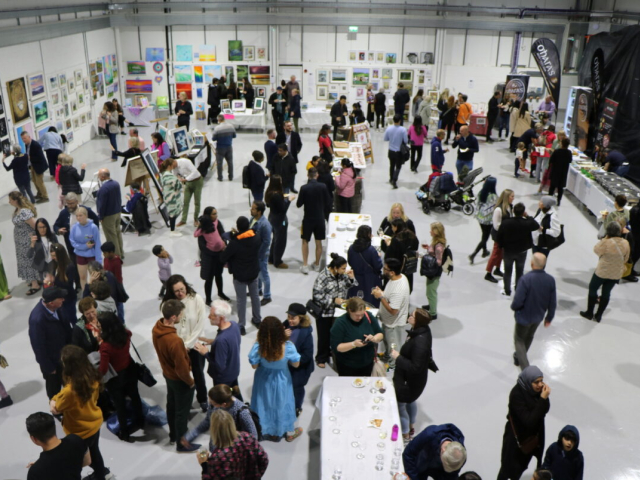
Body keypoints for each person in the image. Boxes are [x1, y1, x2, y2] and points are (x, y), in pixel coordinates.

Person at [50, 345, 109, 479]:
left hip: (79, 431)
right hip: (94, 423)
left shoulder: (70, 390)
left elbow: (56, 408)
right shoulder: (91, 375)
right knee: (94, 452)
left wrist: (53, 399)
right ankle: (101, 475)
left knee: (76, 462)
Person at [152, 299, 200, 452]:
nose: (182, 316)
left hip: (168, 375)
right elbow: (181, 369)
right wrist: (190, 382)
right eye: (180, 314)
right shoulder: (175, 341)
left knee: (171, 405)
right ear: (173, 317)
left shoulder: (156, 328)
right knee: (181, 412)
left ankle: (173, 436)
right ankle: (182, 443)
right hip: (179, 380)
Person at [249, 316, 303, 442]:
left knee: (263, 403)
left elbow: (254, 365)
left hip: (263, 378)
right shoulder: (288, 346)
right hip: (281, 378)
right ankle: (287, 432)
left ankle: (261, 430)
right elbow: (296, 364)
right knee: (282, 403)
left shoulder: (259, 347)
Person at [161, 275, 208, 412]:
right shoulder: (168, 305)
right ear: (171, 291)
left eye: (182, 289)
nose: (181, 293)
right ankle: (183, 402)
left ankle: (203, 399)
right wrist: (180, 345)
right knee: (180, 375)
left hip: (195, 345)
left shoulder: (196, 299)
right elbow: (168, 326)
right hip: (177, 347)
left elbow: (200, 324)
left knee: (198, 374)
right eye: (177, 291)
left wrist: (188, 344)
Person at [497, 366, 551, 480]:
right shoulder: (517, 395)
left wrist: (543, 399)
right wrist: (542, 399)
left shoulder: (538, 392)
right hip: (516, 440)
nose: (540, 385)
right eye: (536, 382)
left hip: (532, 438)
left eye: (541, 381)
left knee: (521, 466)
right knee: (507, 469)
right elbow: (529, 421)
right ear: (528, 381)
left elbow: (545, 409)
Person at [97, 312, 144, 442]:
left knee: (120, 404)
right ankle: (140, 421)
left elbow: (103, 368)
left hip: (115, 378)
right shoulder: (126, 334)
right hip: (130, 370)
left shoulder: (105, 346)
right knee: (135, 397)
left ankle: (124, 431)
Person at [391, 308, 434, 443]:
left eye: (412, 316)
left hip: (407, 382)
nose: (409, 316)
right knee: (411, 401)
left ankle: (405, 435)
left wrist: (398, 358)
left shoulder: (419, 342)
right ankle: (411, 427)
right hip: (414, 382)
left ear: (417, 321)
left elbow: (415, 367)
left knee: (401, 406)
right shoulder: (423, 331)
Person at [311, 253, 357, 368]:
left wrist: (351, 278)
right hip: (325, 312)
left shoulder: (341, 274)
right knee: (323, 335)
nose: (345, 270)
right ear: (335, 268)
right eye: (343, 268)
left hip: (339, 311)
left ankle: (333, 352)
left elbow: (348, 285)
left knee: (336, 334)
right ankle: (321, 357)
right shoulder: (323, 277)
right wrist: (333, 300)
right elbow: (317, 296)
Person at [511, 253, 556, 369]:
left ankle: (525, 369)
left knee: (519, 340)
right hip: (538, 317)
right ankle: (518, 357)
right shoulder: (550, 280)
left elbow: (518, 301)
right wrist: (549, 317)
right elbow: (553, 302)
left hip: (523, 317)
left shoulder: (525, 279)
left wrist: (514, 308)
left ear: (532, 264)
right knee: (529, 336)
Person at [580, 221, 629, 322]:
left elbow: (596, 250)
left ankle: (589, 313)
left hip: (602, 271)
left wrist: (605, 239)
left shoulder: (606, 242)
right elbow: (626, 258)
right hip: (616, 273)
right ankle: (598, 316)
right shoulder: (625, 243)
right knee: (606, 292)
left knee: (593, 288)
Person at [197, 409, 269, 479]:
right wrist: (256, 476)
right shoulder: (247, 437)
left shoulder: (218, 458)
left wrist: (204, 465)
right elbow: (264, 459)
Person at [220, 216, 262, 335]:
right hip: (253, 273)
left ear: (238, 227)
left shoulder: (234, 244)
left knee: (241, 300)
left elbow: (223, 258)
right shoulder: (256, 237)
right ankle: (257, 320)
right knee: (255, 297)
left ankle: (241, 325)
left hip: (240, 275)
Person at [29, 287, 72, 399]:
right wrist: (48, 367)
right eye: (60, 298)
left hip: (65, 356)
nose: (63, 299)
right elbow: (38, 347)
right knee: (54, 389)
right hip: (52, 363)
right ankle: (57, 411)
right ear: (51, 303)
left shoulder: (58, 308)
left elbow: (67, 329)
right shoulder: (37, 320)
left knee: (70, 383)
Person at [194, 300, 243, 396]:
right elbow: (232, 342)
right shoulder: (234, 325)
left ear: (221, 318)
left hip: (223, 379)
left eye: (212, 315)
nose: (209, 317)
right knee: (234, 395)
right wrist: (213, 341)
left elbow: (219, 366)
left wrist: (206, 353)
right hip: (233, 371)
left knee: (223, 401)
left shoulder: (221, 340)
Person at [25, 412, 91, 480]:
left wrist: (38, 465)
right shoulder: (75, 440)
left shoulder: (35, 472)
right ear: (54, 427)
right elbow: (88, 461)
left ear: (33, 439)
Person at [330, 297, 384, 376]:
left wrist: (374, 338)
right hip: (347, 365)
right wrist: (353, 344)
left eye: (362, 314)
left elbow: (380, 334)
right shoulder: (340, 323)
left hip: (367, 363)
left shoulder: (368, 316)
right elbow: (337, 347)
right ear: (349, 311)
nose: (360, 317)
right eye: (357, 315)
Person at [372, 258, 410, 368]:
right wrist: (382, 293)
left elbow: (393, 311)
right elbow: (390, 297)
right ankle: (388, 356)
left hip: (393, 323)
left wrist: (380, 297)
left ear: (392, 272)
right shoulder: (399, 277)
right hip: (387, 320)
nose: (383, 270)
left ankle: (394, 365)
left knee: (393, 345)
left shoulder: (399, 289)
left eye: (385, 268)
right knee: (387, 342)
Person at [497, 203, 540, 296]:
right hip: (522, 251)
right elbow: (536, 225)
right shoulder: (527, 223)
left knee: (507, 272)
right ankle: (518, 289)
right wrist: (528, 216)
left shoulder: (506, 222)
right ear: (523, 212)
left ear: (513, 211)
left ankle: (507, 290)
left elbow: (499, 236)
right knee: (519, 271)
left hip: (508, 251)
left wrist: (501, 246)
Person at [297, 167, 332, 274]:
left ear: (308, 175)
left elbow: (299, 204)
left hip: (308, 219)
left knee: (305, 241)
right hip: (320, 218)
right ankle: (317, 265)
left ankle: (305, 265)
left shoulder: (304, 188)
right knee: (319, 242)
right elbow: (328, 202)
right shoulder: (323, 186)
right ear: (317, 175)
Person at [283, 303, 314, 416]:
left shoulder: (306, 333)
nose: (290, 320)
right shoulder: (285, 325)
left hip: (300, 368)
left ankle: (297, 407)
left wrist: (293, 359)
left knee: (297, 388)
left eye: (293, 318)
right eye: (289, 317)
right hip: (286, 366)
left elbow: (307, 355)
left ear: (301, 318)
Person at [194, 208, 229, 305]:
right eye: (214, 214)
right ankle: (208, 299)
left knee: (219, 275)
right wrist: (213, 250)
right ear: (208, 215)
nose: (216, 215)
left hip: (219, 254)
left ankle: (220, 293)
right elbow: (202, 246)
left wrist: (222, 245)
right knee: (209, 278)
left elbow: (223, 235)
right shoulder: (203, 227)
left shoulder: (218, 223)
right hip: (209, 257)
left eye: (216, 213)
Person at [54, 193, 100, 263]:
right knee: (75, 265)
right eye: (68, 204)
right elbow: (56, 226)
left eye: (72, 203)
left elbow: (96, 220)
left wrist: (92, 237)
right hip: (72, 247)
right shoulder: (64, 213)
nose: (70, 206)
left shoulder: (86, 210)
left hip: (89, 247)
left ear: (77, 201)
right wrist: (58, 230)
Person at [9, 191, 40, 294]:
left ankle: (35, 284)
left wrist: (34, 239)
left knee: (29, 261)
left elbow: (35, 225)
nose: (9, 202)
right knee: (25, 261)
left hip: (27, 241)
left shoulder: (24, 212)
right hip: (20, 242)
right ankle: (33, 279)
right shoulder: (17, 210)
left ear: (16, 200)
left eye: (10, 200)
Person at [347, 225, 383, 307]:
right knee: (369, 303)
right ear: (368, 235)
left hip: (355, 277)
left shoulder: (352, 248)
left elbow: (350, 262)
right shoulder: (371, 250)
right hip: (370, 280)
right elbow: (378, 266)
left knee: (356, 302)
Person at [485, 189, 515, 283]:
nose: (513, 198)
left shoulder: (510, 207)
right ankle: (488, 273)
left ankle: (497, 269)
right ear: (507, 197)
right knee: (495, 253)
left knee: (502, 252)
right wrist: (507, 229)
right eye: (512, 196)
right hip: (499, 235)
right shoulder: (498, 209)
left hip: (505, 235)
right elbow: (496, 225)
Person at [69, 206, 102, 290]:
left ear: (86, 215)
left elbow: (96, 243)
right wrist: (85, 246)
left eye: (81, 215)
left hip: (91, 256)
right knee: (82, 277)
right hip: (80, 255)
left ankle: (95, 293)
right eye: (77, 216)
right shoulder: (74, 227)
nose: (79, 218)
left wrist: (99, 260)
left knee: (95, 277)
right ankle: (85, 293)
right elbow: (73, 242)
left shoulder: (93, 227)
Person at [384, 218, 419, 292]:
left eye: (392, 227)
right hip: (409, 265)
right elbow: (416, 247)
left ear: (396, 227)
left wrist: (388, 245)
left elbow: (389, 255)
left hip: (398, 267)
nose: (392, 229)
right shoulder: (412, 235)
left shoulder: (396, 239)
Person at [265, 175, 293, 269]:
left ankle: (271, 258)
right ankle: (278, 261)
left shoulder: (269, 192)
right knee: (281, 240)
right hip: (280, 220)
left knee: (275, 238)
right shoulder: (276, 195)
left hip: (272, 217)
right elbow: (283, 209)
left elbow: (269, 205)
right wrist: (289, 200)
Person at [96, 168, 123, 259]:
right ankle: (121, 252)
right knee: (118, 233)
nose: (98, 177)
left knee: (111, 236)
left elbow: (102, 205)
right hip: (117, 212)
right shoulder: (116, 183)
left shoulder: (103, 189)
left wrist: (100, 216)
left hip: (108, 216)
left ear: (103, 177)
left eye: (99, 175)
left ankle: (116, 256)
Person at [469, 176, 497, 264]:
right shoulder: (493, 196)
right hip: (488, 220)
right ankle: (473, 254)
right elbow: (496, 206)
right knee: (485, 238)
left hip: (480, 217)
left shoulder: (482, 192)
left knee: (484, 234)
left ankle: (484, 251)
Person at [250, 200, 273, 306]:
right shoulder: (253, 219)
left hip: (261, 254)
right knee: (257, 273)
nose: (251, 209)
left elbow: (267, 242)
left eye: (253, 208)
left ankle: (267, 296)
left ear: (259, 211)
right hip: (254, 252)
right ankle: (258, 290)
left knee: (264, 275)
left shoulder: (265, 225)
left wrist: (259, 254)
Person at [422, 222, 446, 320]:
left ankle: (433, 312)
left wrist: (428, 257)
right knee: (429, 290)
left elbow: (439, 262)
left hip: (434, 272)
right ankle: (431, 305)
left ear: (436, 232)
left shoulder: (439, 246)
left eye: (432, 230)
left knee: (431, 292)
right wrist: (429, 249)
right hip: (433, 272)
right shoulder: (436, 241)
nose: (430, 231)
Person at [20, 131, 49, 203]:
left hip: (39, 166)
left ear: (29, 137)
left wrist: (30, 157)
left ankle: (45, 196)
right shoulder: (27, 145)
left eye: (25, 138)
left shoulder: (36, 145)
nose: (24, 140)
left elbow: (40, 157)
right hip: (33, 165)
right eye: (22, 139)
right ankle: (39, 194)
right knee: (34, 181)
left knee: (39, 182)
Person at [174, 156, 204, 228]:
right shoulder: (174, 166)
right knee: (185, 202)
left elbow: (195, 171)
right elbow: (174, 175)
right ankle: (183, 220)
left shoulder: (185, 162)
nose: (173, 169)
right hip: (188, 183)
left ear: (174, 162)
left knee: (197, 202)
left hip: (197, 181)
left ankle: (196, 219)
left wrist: (185, 179)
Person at [28, 218, 58, 283]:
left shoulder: (52, 236)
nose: (42, 229)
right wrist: (32, 244)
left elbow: (58, 248)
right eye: (40, 227)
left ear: (47, 227)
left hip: (52, 262)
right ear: (37, 228)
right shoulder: (35, 238)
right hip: (42, 264)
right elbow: (29, 255)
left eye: (44, 227)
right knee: (46, 283)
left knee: (54, 282)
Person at [159, 159, 184, 236]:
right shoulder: (169, 176)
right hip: (172, 198)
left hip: (168, 197)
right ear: (169, 166)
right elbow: (178, 186)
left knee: (173, 213)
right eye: (172, 165)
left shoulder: (163, 174)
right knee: (173, 214)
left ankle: (173, 229)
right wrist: (179, 180)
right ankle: (172, 231)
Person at [384, 114, 409, 189]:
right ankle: (394, 179)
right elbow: (406, 140)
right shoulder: (403, 130)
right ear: (400, 121)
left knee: (392, 165)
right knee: (398, 166)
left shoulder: (389, 129)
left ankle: (391, 178)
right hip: (399, 151)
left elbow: (385, 139)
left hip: (391, 150)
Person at [212, 115, 237, 181]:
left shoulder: (217, 128)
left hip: (220, 147)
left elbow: (213, 138)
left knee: (219, 163)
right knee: (230, 162)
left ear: (218, 120)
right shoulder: (231, 126)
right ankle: (230, 177)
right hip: (229, 147)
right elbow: (234, 136)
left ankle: (220, 177)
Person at [548, 138, 572, 206]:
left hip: (555, 171)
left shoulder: (557, 151)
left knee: (552, 186)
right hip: (563, 172)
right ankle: (559, 201)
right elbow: (570, 160)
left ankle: (549, 199)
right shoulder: (569, 152)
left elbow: (551, 160)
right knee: (560, 188)